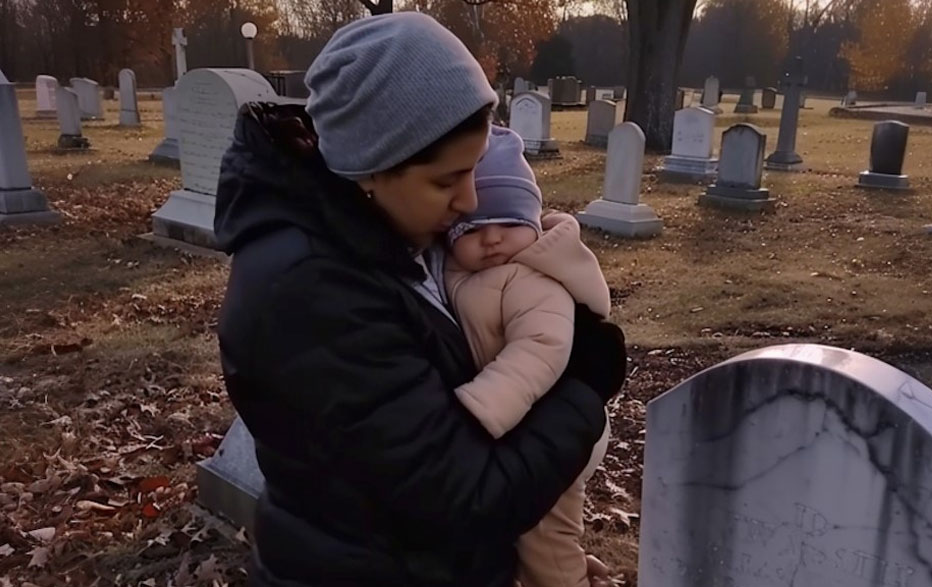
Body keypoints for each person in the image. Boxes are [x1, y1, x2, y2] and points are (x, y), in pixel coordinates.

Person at [213, 12, 628, 587]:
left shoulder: (390, 238)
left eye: (474, 170)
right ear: (370, 169)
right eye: (445, 180)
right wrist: (583, 387)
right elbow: (463, 498)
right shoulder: (311, 295)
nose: (469, 200)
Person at [444, 125, 613, 587]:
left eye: (510, 223)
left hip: (549, 421)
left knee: (546, 532)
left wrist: (481, 407)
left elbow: (542, 347)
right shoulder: (455, 270)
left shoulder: (531, 279)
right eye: (474, 227)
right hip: (520, 426)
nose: (492, 239)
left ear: (534, 224)